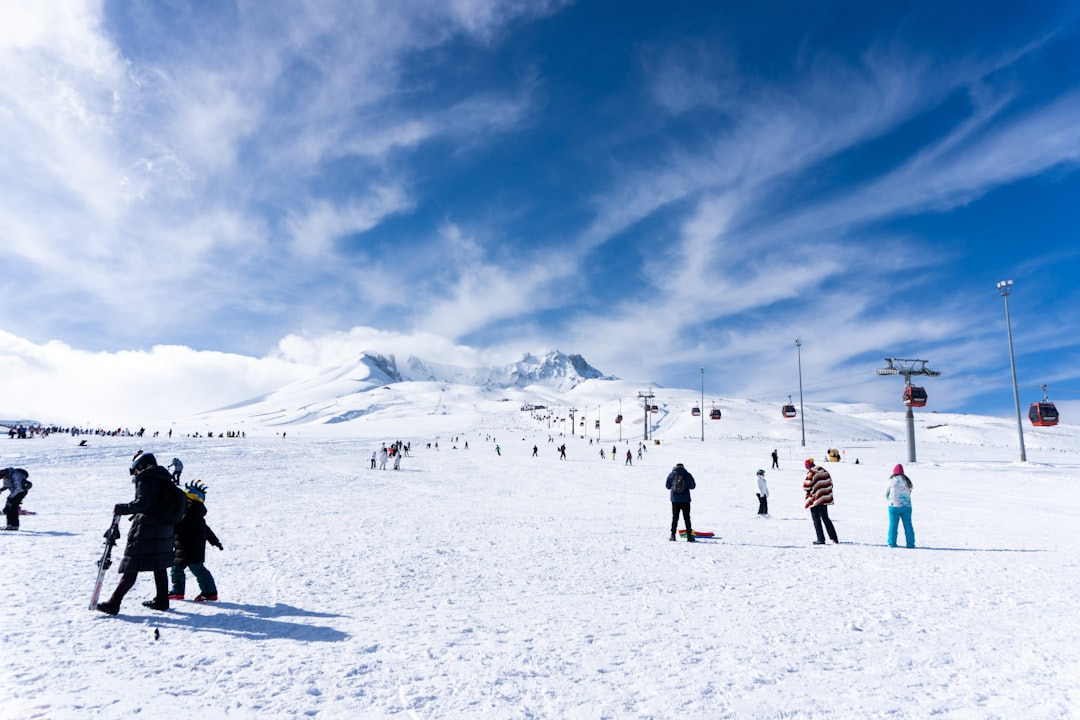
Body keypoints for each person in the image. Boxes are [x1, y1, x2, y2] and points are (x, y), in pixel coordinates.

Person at [97, 452, 177, 615]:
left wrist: (123, 508)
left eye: (135, 470)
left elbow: (144, 503)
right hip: (164, 528)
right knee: (159, 565)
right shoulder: (164, 479)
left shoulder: (146, 478)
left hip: (147, 529)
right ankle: (162, 600)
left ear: (141, 466)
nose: (135, 474)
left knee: (132, 564)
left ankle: (114, 603)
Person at [169, 480, 223, 602]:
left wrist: (167, 529)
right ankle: (180, 592)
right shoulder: (196, 515)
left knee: (191, 569)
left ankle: (208, 592)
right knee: (181, 569)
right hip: (189, 549)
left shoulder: (188, 515)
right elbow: (207, 530)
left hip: (186, 549)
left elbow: (177, 527)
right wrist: (215, 542)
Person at [803, 458, 839, 545]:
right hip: (824, 498)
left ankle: (821, 539)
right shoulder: (824, 471)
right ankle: (834, 538)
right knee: (825, 518)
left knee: (816, 519)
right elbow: (830, 484)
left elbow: (806, 487)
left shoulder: (811, 473)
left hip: (815, 499)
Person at [665, 463, 697, 542]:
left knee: (675, 518)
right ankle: (689, 536)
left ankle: (673, 535)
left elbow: (667, 486)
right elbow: (693, 486)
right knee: (687, 518)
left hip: (675, 500)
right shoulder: (687, 474)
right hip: (685, 500)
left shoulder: (671, 474)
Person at [886, 463, 915, 548]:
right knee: (908, 524)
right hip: (907, 506)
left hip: (893, 505)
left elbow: (886, 493)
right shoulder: (907, 482)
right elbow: (909, 492)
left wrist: (889, 498)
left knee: (893, 525)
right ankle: (910, 544)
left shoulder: (891, 481)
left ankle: (892, 543)